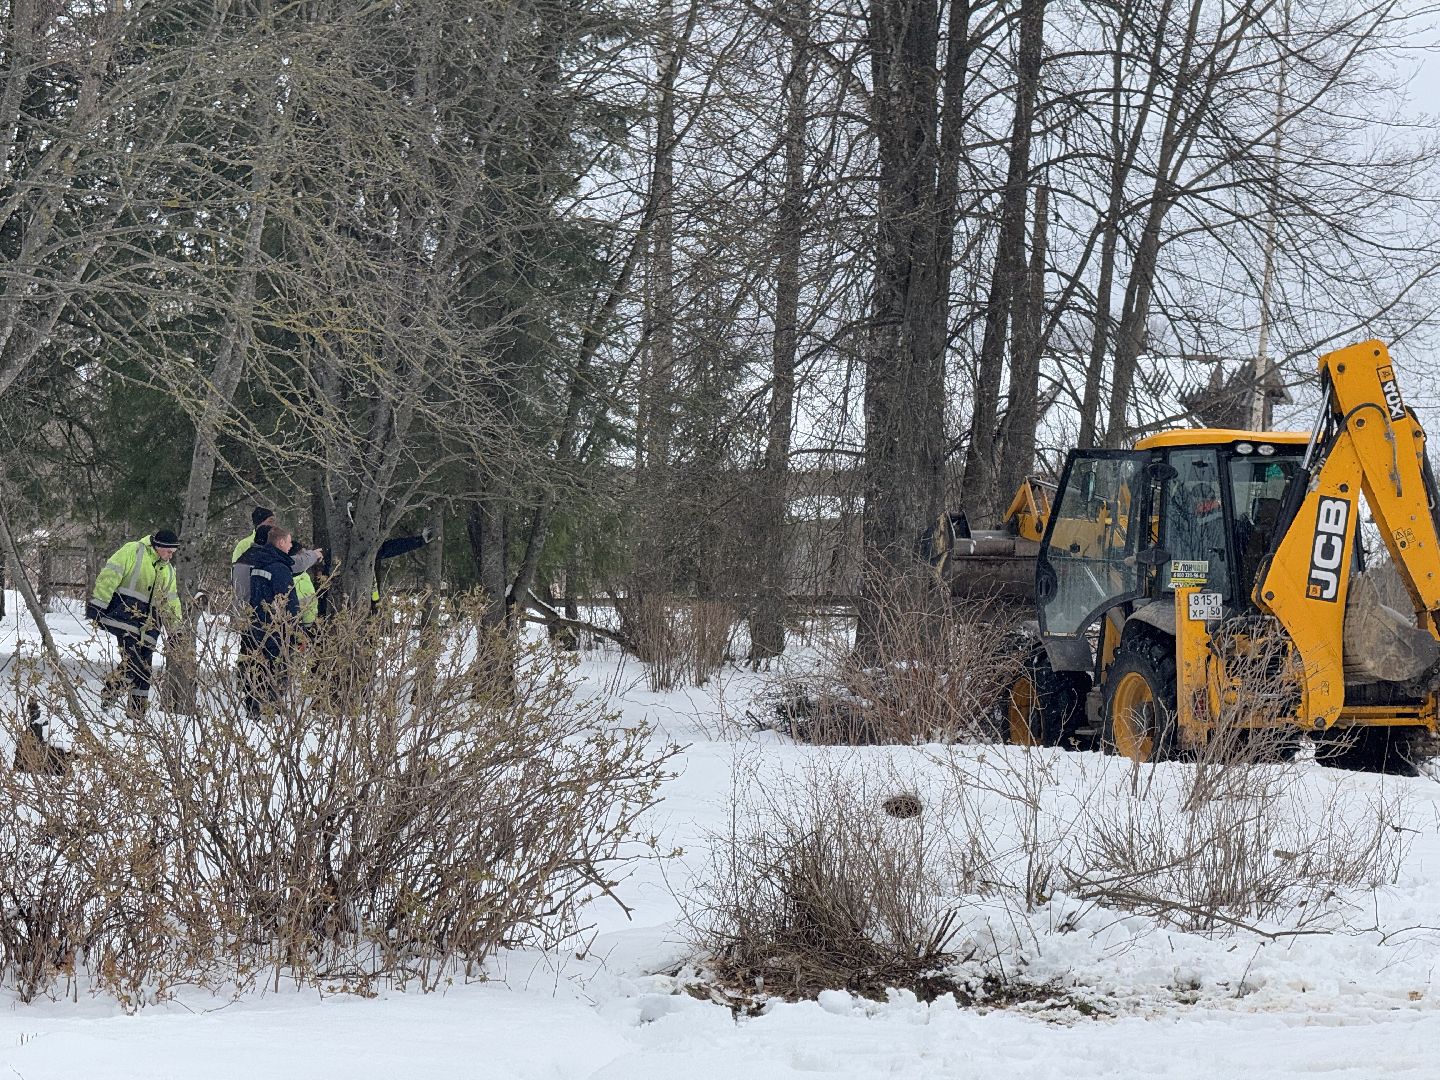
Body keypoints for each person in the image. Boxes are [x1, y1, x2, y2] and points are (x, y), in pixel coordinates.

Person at [86, 529, 183, 719]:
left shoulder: (169, 571)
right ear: (158, 547)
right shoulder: (133, 551)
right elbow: (110, 575)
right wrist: (98, 603)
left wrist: (176, 631)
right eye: (168, 551)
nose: (171, 556)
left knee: (144, 670)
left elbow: (171, 602)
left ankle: (137, 714)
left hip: (150, 626)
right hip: (125, 617)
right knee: (134, 663)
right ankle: (111, 691)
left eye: (173, 552)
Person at [241, 525, 301, 720]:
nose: (291, 545)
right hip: (276, 629)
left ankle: (253, 708)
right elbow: (288, 602)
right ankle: (271, 709)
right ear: (281, 542)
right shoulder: (280, 568)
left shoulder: (258, 563)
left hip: (256, 624)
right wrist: (295, 631)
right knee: (276, 669)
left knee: (256, 667)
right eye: (289, 541)